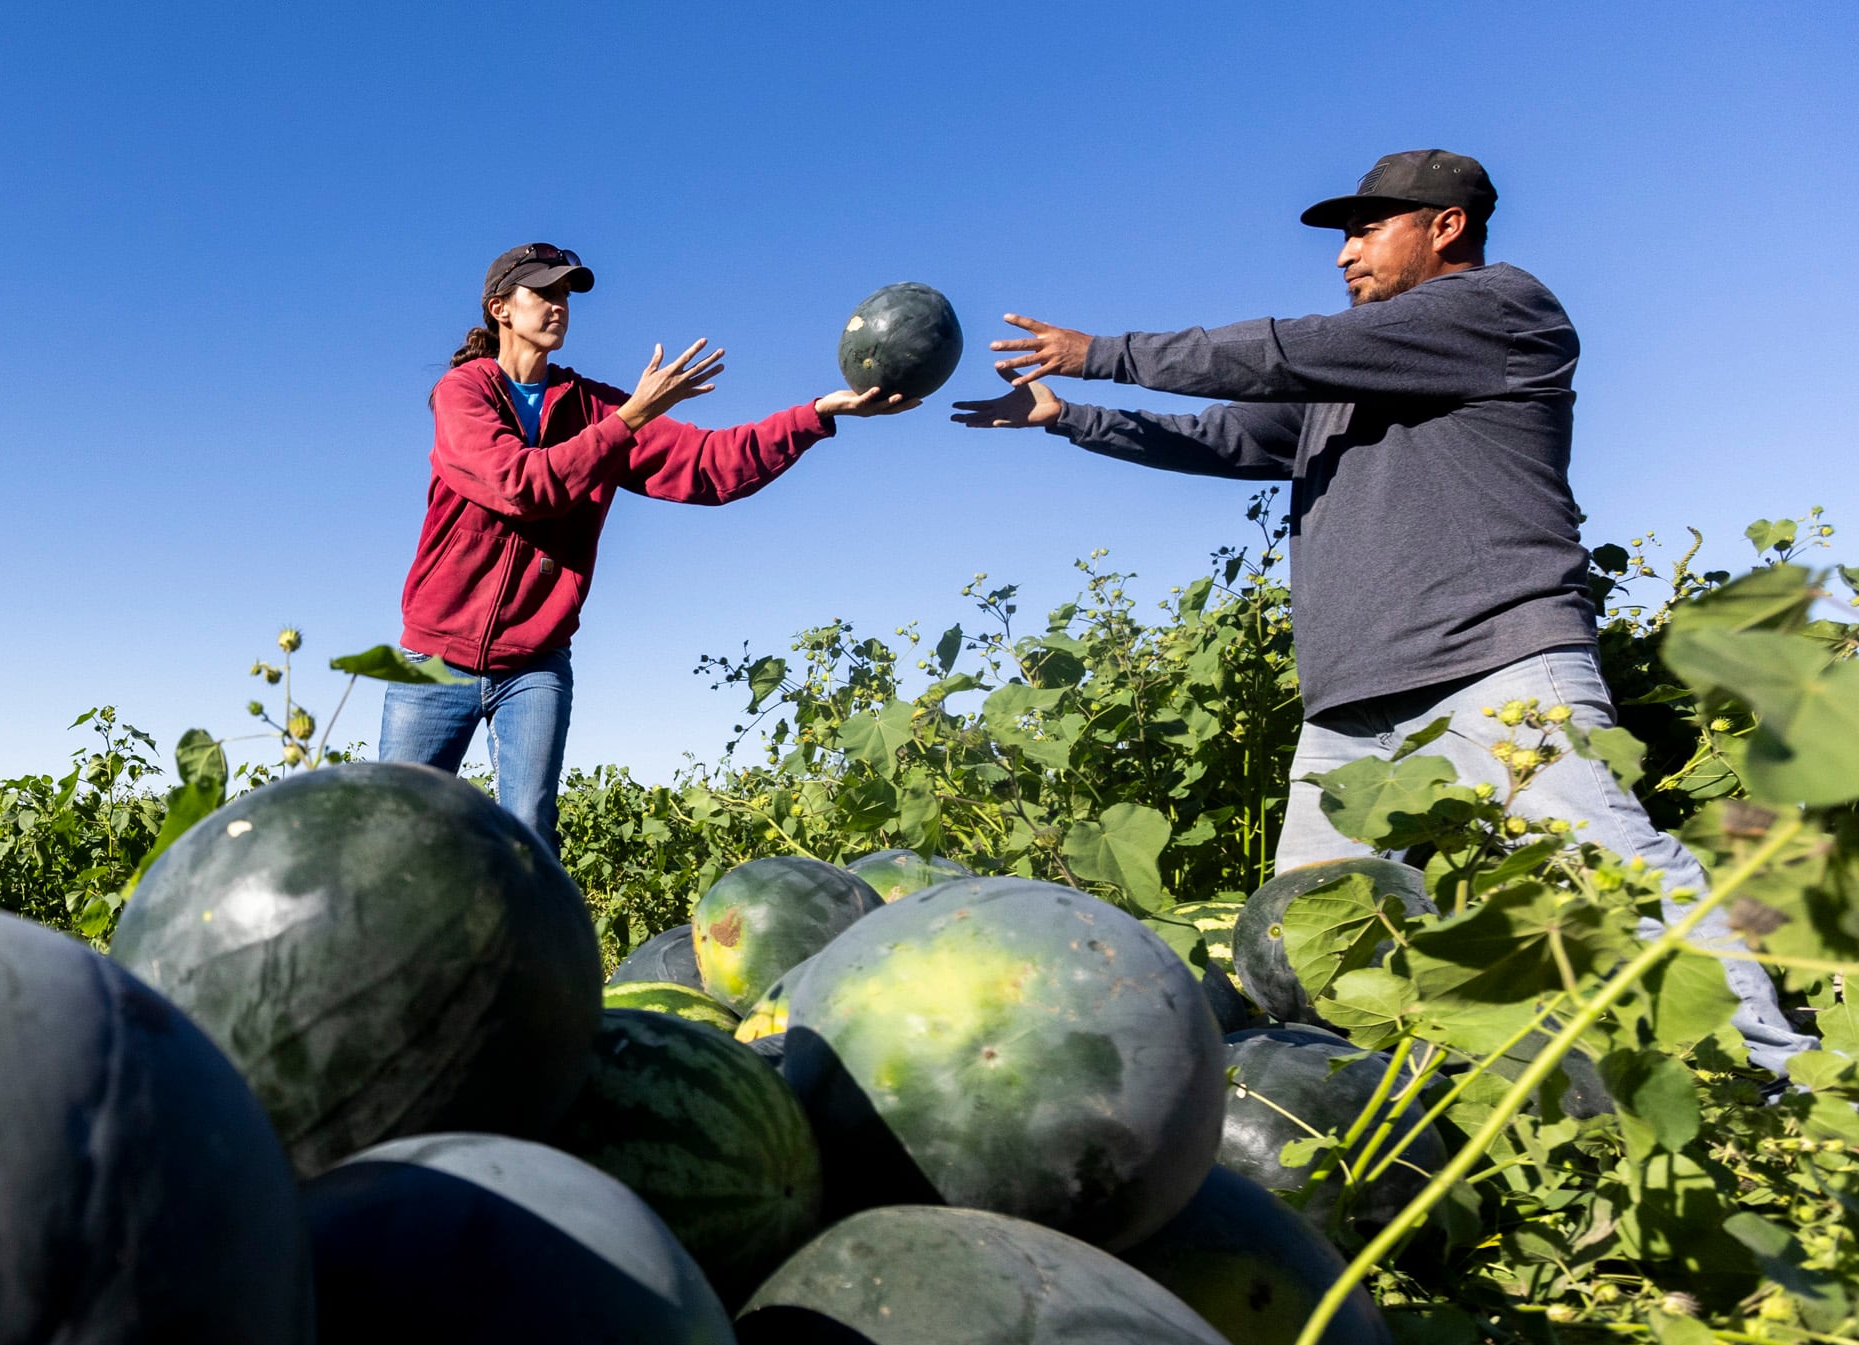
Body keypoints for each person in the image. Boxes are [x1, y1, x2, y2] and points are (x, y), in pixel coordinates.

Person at [949, 150, 1809, 1071]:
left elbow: (1281, 350)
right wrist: (1072, 416)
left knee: (1619, 877)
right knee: (1306, 947)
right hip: (1353, 710)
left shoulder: (1499, 308)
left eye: (1365, 230)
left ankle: (1784, 1088)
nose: (1343, 254)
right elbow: (1228, 437)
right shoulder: (1357, 366)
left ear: (1445, 227)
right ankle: (1352, 1147)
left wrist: (1106, 354)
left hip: (1496, 669)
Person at [388, 243, 917, 846]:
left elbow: (712, 466)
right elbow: (519, 486)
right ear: (500, 308)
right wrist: (629, 418)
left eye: (566, 295)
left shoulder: (594, 407)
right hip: (435, 658)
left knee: (529, 837)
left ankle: (524, 945)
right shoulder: (465, 392)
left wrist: (820, 412)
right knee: (397, 827)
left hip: (535, 662)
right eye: (544, 292)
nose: (559, 305)